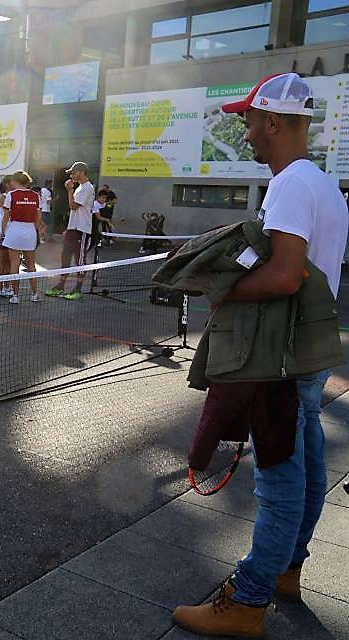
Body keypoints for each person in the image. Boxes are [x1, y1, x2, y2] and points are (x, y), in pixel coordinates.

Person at [172, 73, 349, 638]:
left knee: (279, 474)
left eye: (248, 118)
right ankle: (289, 570)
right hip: (308, 350)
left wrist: (219, 289)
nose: (244, 130)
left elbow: (285, 274)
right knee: (309, 458)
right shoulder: (323, 185)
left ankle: (248, 601)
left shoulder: (291, 185)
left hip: (281, 355)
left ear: (273, 120)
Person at [45, 161, 94, 300]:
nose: (71, 175)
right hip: (73, 229)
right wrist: (69, 228)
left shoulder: (87, 188)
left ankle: (77, 290)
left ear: (81, 172)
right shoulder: (80, 188)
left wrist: (69, 190)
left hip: (82, 229)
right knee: (65, 257)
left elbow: (73, 206)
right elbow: (74, 211)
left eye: (73, 172)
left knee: (79, 260)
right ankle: (61, 286)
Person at [1, 171, 42, 304]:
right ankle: (35, 294)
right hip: (30, 231)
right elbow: (39, 217)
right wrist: (34, 229)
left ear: (15, 181)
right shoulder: (36, 196)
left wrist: (3, 232)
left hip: (14, 230)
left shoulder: (11, 195)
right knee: (31, 265)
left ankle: (15, 295)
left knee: (15, 263)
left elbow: (6, 216)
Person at [0, 175, 13, 298]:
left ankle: (7, 286)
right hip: (3, 230)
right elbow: (7, 215)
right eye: (12, 182)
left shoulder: (12, 197)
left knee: (10, 262)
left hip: (12, 230)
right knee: (2, 261)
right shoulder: (3, 197)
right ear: (7, 184)